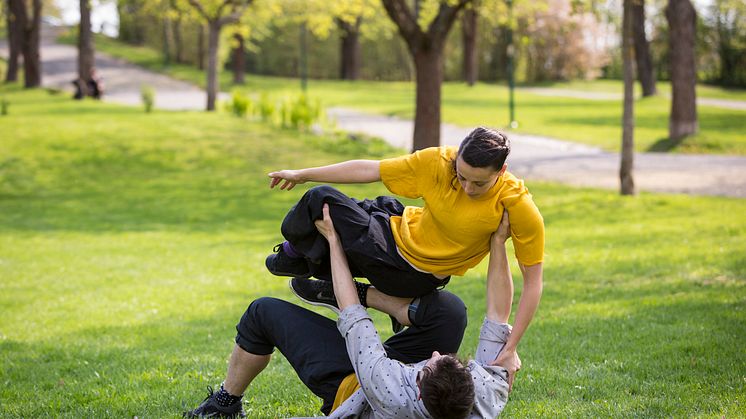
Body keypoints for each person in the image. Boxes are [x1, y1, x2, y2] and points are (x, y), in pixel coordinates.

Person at [266, 127, 543, 387]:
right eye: (461, 176)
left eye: (479, 183)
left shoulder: (516, 205)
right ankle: (302, 260)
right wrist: (302, 173)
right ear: (456, 158)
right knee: (352, 209)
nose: (467, 188)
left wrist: (511, 347)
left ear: (502, 171)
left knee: (320, 199)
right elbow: (373, 169)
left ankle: (298, 260)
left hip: (412, 273)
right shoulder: (439, 161)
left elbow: (532, 282)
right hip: (394, 228)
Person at [184, 205, 514, 418]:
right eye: (446, 358)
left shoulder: (388, 388)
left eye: (430, 364)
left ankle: (225, 404)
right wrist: (498, 242)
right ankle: (377, 296)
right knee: (450, 312)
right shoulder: (486, 396)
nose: (435, 353)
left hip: (352, 386)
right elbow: (499, 314)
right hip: (396, 373)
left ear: (417, 387)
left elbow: (352, 313)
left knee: (262, 312)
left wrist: (332, 243)